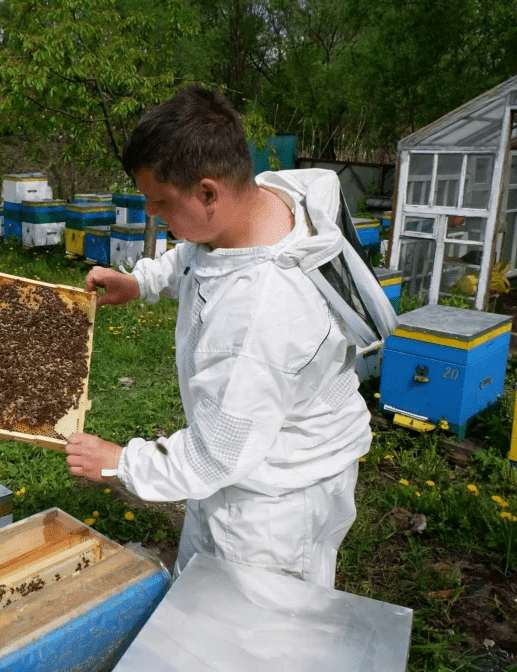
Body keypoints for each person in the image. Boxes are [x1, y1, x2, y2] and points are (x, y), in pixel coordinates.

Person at [64, 86, 372, 587]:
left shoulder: (260, 314)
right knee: (201, 598)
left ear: (208, 191)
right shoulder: (266, 200)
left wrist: (120, 462)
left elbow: (216, 454)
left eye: (161, 202)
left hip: (272, 504)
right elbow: (202, 252)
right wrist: (142, 280)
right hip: (266, 453)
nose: (152, 214)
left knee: (248, 642)